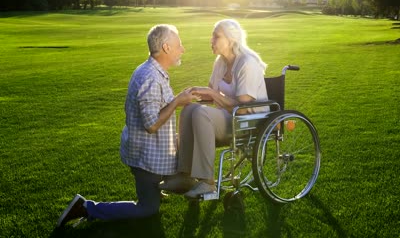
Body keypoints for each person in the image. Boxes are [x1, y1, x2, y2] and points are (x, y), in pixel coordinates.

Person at [56, 24, 198, 227]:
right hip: (147, 158)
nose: (182, 49)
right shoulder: (150, 77)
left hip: (152, 152)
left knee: (188, 167)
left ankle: (156, 188)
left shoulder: (154, 71)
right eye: (179, 45)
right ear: (166, 48)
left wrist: (178, 98)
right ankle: (86, 207)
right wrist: (177, 102)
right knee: (148, 208)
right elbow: (151, 125)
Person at [160, 19, 269, 198]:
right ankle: (185, 175)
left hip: (247, 122)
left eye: (216, 36)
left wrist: (211, 92)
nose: (211, 40)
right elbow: (211, 95)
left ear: (231, 40)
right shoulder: (220, 63)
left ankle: (207, 182)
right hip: (228, 118)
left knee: (201, 113)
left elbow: (243, 109)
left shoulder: (247, 63)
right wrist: (190, 94)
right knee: (189, 109)